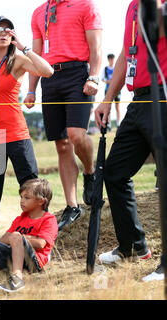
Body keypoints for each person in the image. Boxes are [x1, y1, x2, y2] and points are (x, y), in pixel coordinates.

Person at [95, 0, 167, 282]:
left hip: (163, 95)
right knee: (114, 172)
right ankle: (134, 247)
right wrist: (107, 99)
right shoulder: (132, 6)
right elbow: (127, 53)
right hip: (138, 100)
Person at [0, 16, 53, 238]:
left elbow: (47, 71)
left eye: (9, 30)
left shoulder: (18, 60)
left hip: (16, 135)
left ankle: (40, 237)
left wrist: (24, 47)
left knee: (33, 189)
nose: (4, 33)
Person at [25, 0, 103, 231]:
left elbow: (96, 46)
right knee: (61, 143)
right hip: (49, 78)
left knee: (76, 135)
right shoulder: (39, 11)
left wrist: (94, 76)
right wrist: (31, 89)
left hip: (78, 74)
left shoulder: (86, 5)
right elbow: (36, 53)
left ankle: (89, 172)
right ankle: (72, 206)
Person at [101, 54, 122, 126]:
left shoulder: (117, 68)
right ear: (108, 60)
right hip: (108, 90)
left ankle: (118, 122)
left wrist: (114, 81)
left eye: (112, 58)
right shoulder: (105, 69)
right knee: (108, 106)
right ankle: (109, 123)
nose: (111, 60)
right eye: (110, 59)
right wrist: (109, 81)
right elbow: (103, 79)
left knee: (117, 106)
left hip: (117, 89)